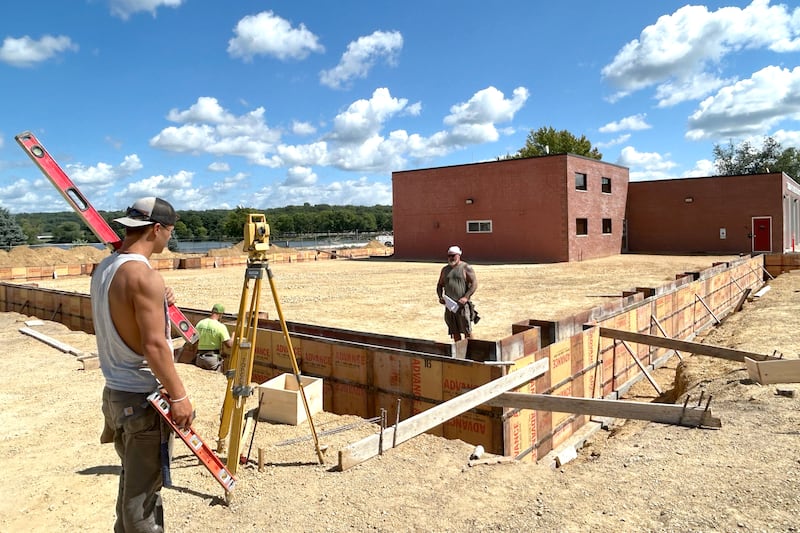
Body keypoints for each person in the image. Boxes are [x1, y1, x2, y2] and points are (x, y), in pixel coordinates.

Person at [91, 196, 192, 533]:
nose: (169, 239)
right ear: (157, 229)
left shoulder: (106, 267)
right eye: (169, 232)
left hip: (115, 394)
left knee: (131, 484)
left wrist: (158, 302)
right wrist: (179, 397)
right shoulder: (144, 278)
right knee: (141, 500)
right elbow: (154, 345)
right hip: (141, 400)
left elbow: (121, 311)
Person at [436, 245, 479, 341]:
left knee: (467, 330)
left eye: (453, 255)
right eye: (449, 256)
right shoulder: (445, 270)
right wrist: (440, 297)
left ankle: (471, 351)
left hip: (462, 306)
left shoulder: (466, 267)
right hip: (450, 306)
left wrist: (466, 297)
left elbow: (474, 284)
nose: (451, 258)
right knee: (454, 331)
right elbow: (439, 285)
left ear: (459, 255)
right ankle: (458, 352)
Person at [194, 303, 233, 371]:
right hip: (212, 359)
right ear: (220, 314)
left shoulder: (200, 323)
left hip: (200, 358)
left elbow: (194, 340)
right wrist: (233, 337)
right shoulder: (220, 326)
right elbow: (229, 345)